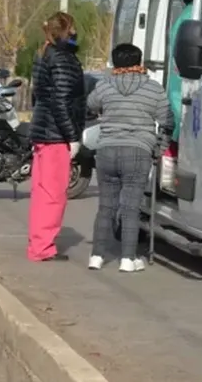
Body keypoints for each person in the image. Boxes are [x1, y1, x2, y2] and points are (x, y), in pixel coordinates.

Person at [86, 43, 173, 272]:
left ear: (115, 63)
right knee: (131, 207)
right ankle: (128, 258)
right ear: (139, 61)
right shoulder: (153, 89)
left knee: (106, 207)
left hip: (106, 150)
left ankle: (96, 255)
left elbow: (90, 105)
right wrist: (159, 149)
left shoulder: (104, 85)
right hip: (138, 151)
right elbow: (167, 122)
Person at [27, 11, 86, 262]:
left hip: (43, 131)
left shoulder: (45, 54)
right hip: (56, 135)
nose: (75, 33)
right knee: (53, 194)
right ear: (66, 30)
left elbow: (39, 95)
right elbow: (62, 100)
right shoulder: (63, 59)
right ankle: (42, 247)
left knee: (41, 192)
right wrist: (72, 136)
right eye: (72, 29)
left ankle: (38, 243)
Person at [160, 0, 194, 190]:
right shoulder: (193, 15)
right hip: (182, 86)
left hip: (178, 87)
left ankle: (170, 180)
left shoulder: (185, 16)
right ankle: (172, 180)